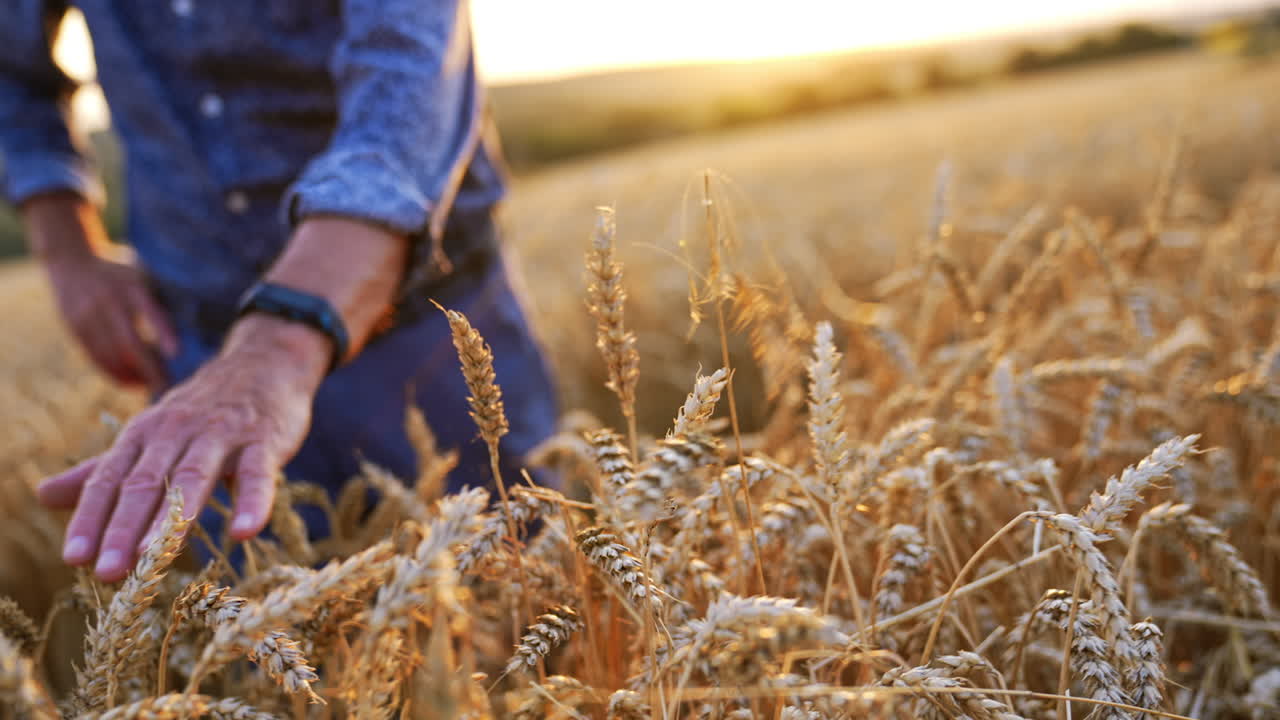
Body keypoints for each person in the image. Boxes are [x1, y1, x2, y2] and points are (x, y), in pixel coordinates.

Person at [1, 1, 558, 583]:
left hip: (434, 324)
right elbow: (11, 69)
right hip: (199, 344)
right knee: (279, 645)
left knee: (523, 598)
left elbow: (406, 71)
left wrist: (278, 345)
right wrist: (65, 251)